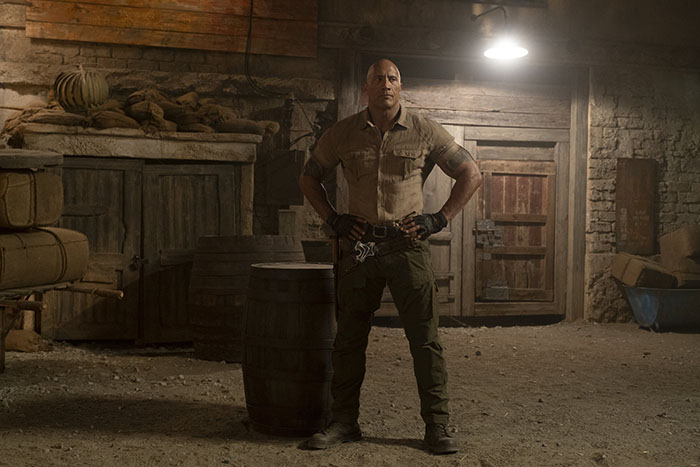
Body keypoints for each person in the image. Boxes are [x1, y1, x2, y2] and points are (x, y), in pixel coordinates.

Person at [298, 58, 482, 455]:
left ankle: (437, 426)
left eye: (392, 78)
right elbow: (308, 176)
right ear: (365, 88)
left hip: (407, 246)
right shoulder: (343, 133)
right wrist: (333, 219)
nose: (385, 84)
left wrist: (439, 219)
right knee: (349, 339)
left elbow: (471, 172)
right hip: (360, 249)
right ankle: (343, 422)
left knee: (425, 340)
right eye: (378, 78)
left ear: (401, 87)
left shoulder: (424, 130)